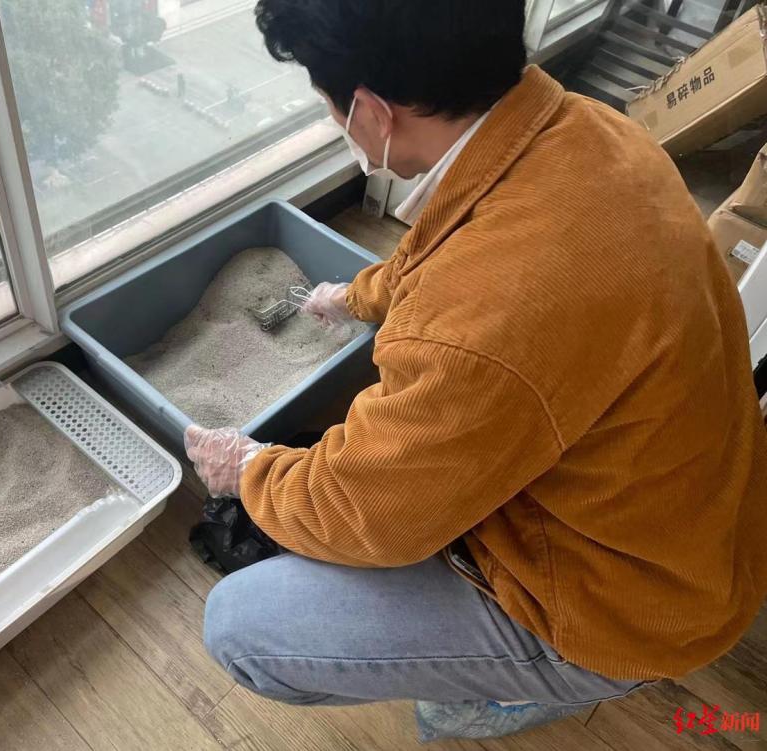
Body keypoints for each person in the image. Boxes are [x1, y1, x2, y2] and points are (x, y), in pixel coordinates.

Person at [185, 0, 767, 741]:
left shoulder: (475, 331)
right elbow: (453, 246)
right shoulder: (592, 130)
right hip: (702, 521)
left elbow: (364, 513)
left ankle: (524, 686)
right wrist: (355, 296)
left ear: (370, 112)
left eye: (325, 101)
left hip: (627, 604)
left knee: (240, 626)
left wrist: (250, 468)